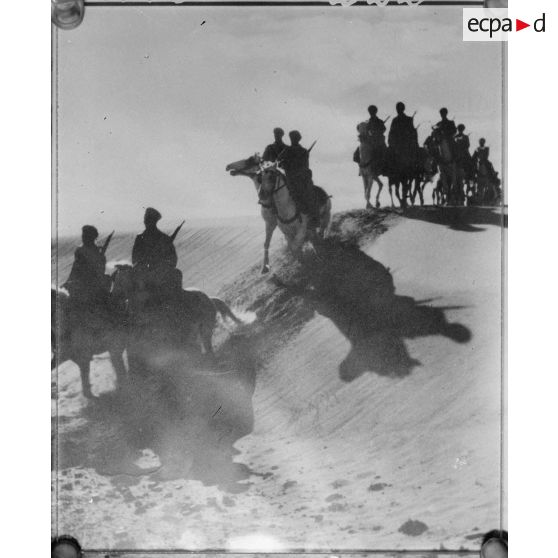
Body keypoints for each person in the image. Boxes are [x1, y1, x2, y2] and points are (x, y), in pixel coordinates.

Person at [132, 207, 181, 300]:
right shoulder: (140, 238)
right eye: (145, 219)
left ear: (154, 221)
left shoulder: (164, 238)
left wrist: (161, 267)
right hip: (144, 272)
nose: (145, 222)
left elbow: (173, 259)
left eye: (148, 219)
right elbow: (135, 259)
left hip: (160, 273)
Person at [279, 130, 318, 227]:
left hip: (293, 179)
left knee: (310, 195)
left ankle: (313, 219)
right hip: (300, 179)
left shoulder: (287, 150)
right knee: (310, 195)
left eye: (294, 138)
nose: (293, 140)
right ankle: (314, 219)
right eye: (292, 138)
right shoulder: (303, 151)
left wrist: (287, 165)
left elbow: (280, 163)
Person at [63, 225, 109, 306]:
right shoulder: (80, 250)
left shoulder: (95, 253)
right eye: (83, 235)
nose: (83, 238)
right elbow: (75, 269)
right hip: (81, 283)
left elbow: (100, 271)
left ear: (92, 237)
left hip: (90, 285)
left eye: (86, 236)